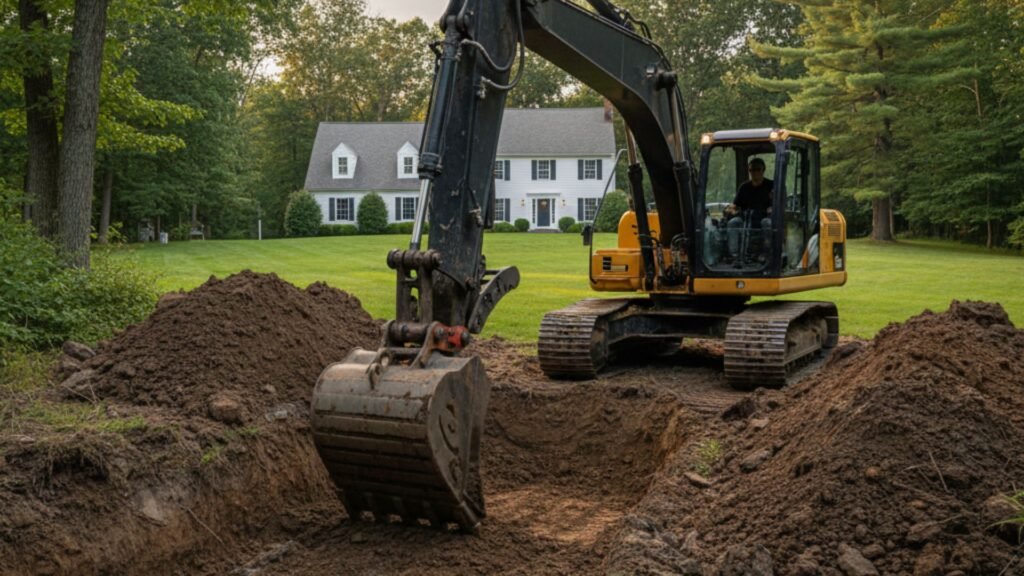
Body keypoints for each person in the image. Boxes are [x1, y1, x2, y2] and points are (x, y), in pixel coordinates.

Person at [725, 157, 773, 262]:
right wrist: (730, 209)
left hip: (763, 218)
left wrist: (772, 209)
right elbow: (736, 205)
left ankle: (766, 254)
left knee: (767, 223)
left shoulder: (771, 186)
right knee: (733, 223)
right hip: (746, 219)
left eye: (757, 169)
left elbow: (779, 204)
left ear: (763, 170)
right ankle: (735, 256)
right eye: (752, 170)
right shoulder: (744, 187)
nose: (755, 173)